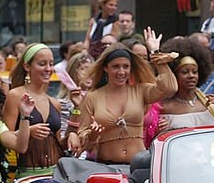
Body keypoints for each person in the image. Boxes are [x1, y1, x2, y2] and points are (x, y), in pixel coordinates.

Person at [76, 33, 178, 165]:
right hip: (106, 166)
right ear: (106, 68)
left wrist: (155, 53)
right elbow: (82, 136)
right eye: (115, 66)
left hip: (139, 165)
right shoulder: (92, 97)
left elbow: (170, 88)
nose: (121, 72)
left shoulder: (140, 90)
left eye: (125, 66)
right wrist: (92, 136)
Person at [2, 43, 66, 177]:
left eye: (51, 63)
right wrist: (28, 131)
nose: (48, 69)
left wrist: (74, 132)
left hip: (56, 175)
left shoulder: (54, 103)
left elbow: (59, 143)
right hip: (27, 174)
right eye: (42, 64)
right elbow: (4, 137)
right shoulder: (16, 96)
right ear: (27, 66)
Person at [156, 54, 214, 136]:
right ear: (174, 75)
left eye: (194, 72)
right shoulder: (164, 107)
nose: (191, 76)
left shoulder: (210, 105)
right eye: (185, 72)